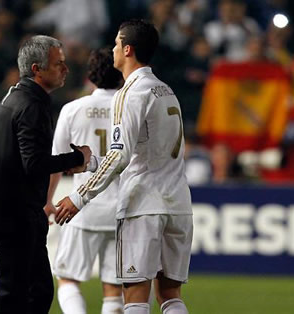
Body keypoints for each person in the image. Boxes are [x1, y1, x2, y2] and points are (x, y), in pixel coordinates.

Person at [55, 19, 193, 314]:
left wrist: (79, 197)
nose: (114, 48)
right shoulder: (165, 90)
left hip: (143, 205)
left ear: (127, 49)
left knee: (135, 296)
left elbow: (119, 155)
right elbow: (149, 149)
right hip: (178, 203)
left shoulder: (130, 93)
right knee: (170, 295)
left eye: (117, 43)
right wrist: (91, 162)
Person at [0, 35, 91, 314]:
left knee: (32, 290)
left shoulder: (15, 96)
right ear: (36, 69)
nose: (66, 69)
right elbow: (34, 163)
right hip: (15, 214)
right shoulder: (32, 105)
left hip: (14, 211)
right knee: (17, 292)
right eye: (58, 64)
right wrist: (79, 159)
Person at [44, 47, 124, 313]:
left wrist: (47, 201)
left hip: (82, 208)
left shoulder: (73, 109)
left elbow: (55, 161)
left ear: (91, 75)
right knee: (114, 288)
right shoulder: (131, 108)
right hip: (124, 209)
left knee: (68, 280)